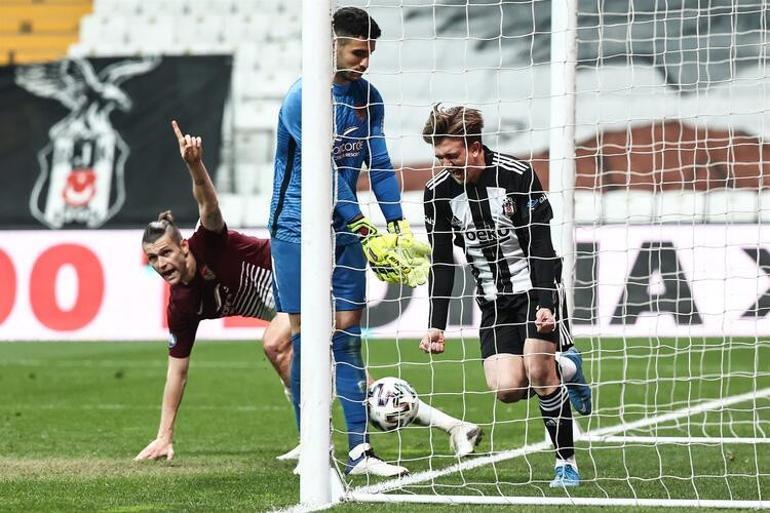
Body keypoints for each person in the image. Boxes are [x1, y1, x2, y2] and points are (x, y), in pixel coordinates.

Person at [269, 8, 481, 477]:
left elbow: (379, 163)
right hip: (297, 229)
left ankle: (360, 452)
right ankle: (313, 448)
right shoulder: (303, 98)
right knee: (307, 338)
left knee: (346, 339)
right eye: (358, 52)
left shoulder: (368, 97)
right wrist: (365, 226)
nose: (365, 62)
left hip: (345, 229)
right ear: (331, 46)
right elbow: (320, 170)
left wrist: (397, 224)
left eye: (371, 53)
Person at [418, 105, 592, 488]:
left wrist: (546, 301)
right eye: (440, 158)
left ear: (475, 147)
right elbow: (443, 264)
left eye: (453, 156)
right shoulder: (437, 194)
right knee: (508, 389)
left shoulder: (516, 175)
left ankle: (566, 462)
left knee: (539, 368)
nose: (447, 164)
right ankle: (571, 368)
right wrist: (436, 324)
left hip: (533, 288)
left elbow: (542, 246)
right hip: (493, 300)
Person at [135, 121, 293, 461]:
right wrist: (164, 436)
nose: (161, 264)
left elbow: (209, 205)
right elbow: (177, 370)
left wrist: (194, 164)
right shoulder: (180, 305)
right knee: (310, 365)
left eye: (165, 253)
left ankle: (321, 434)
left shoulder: (208, 241)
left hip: (294, 275)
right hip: (281, 307)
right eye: (153, 259)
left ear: (185, 247)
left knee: (276, 346)